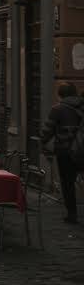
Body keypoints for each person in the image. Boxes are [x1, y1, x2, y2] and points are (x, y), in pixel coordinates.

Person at [42, 82, 84, 224]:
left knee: (68, 183)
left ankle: (72, 214)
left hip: (65, 151)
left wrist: (42, 142)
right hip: (82, 149)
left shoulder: (58, 109)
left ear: (60, 94)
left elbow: (48, 130)